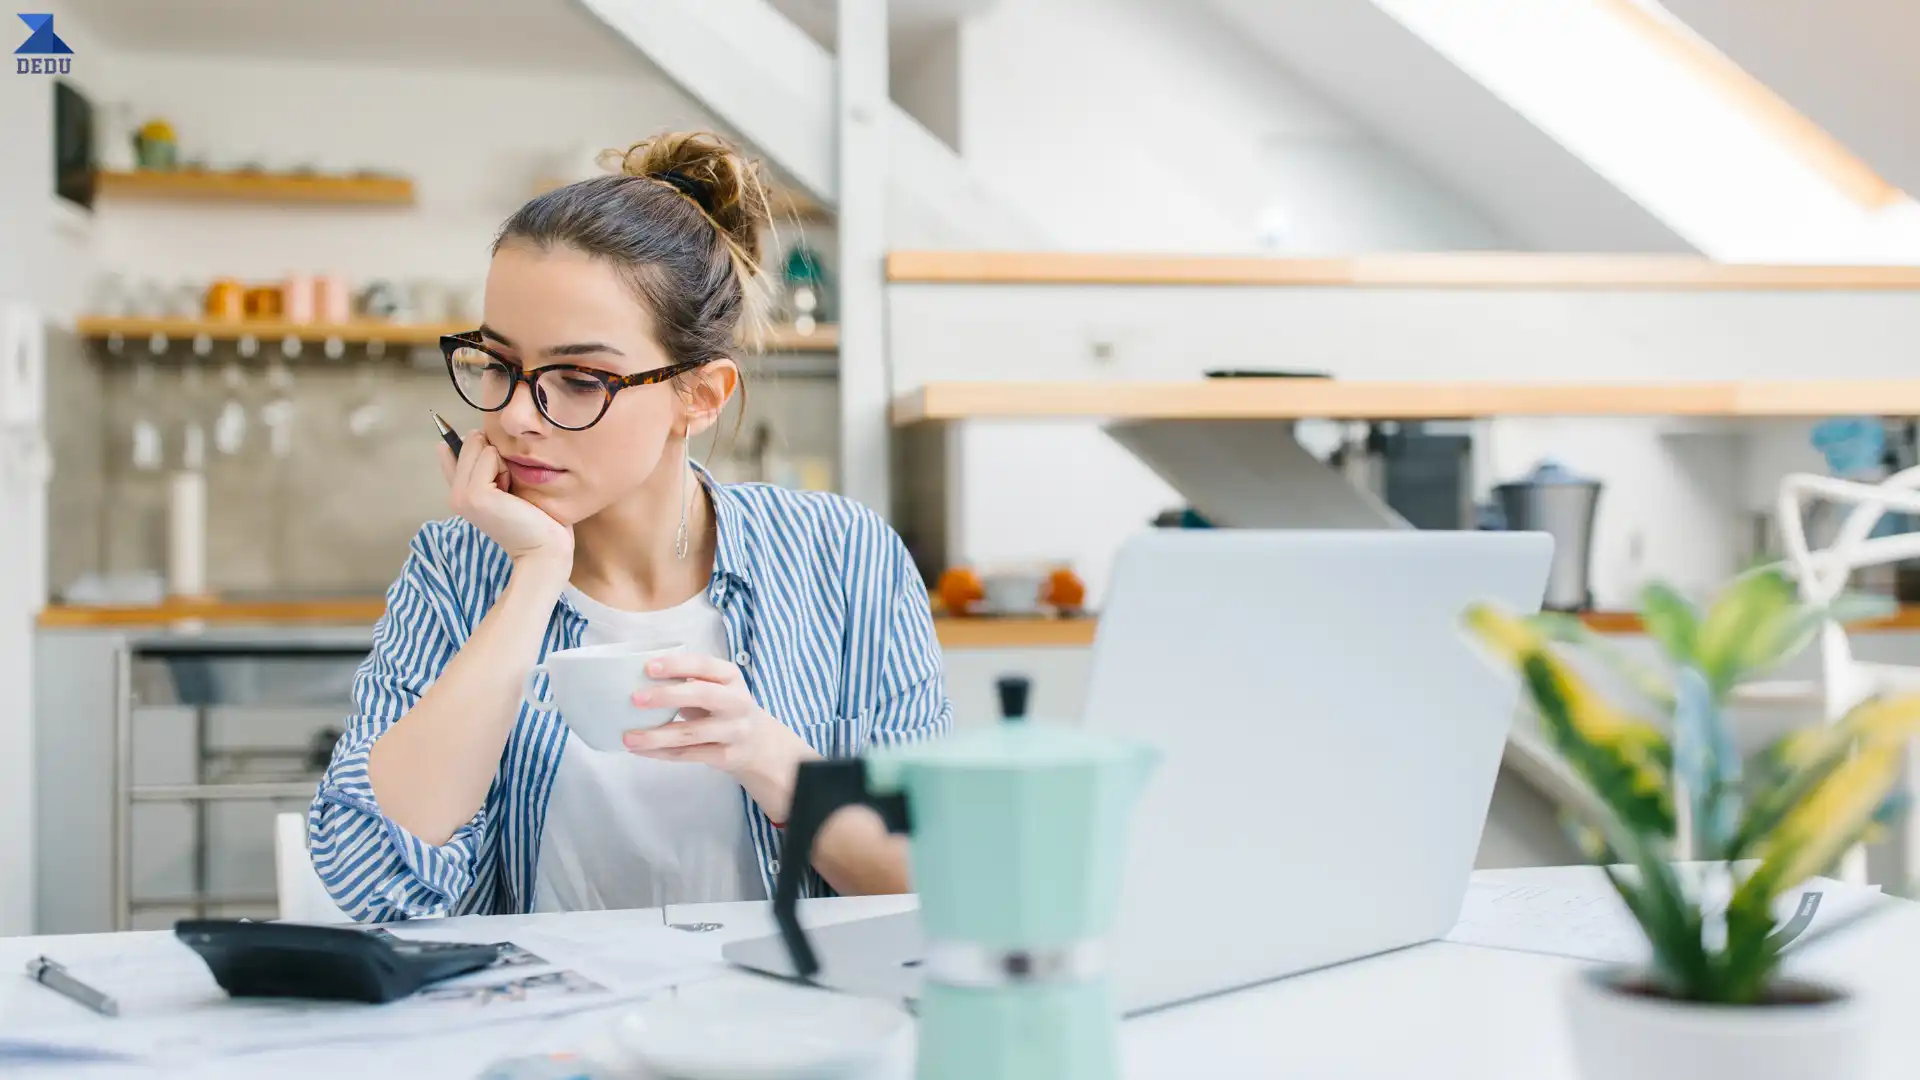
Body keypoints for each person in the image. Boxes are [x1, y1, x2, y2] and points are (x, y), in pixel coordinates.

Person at [308, 131, 951, 921]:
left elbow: (933, 881)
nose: (514, 418)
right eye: (498, 365)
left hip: (782, 1025)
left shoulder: (843, 557)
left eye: (580, 380)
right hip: (535, 1030)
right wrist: (536, 573)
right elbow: (370, 880)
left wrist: (766, 754)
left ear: (702, 396)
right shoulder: (456, 566)